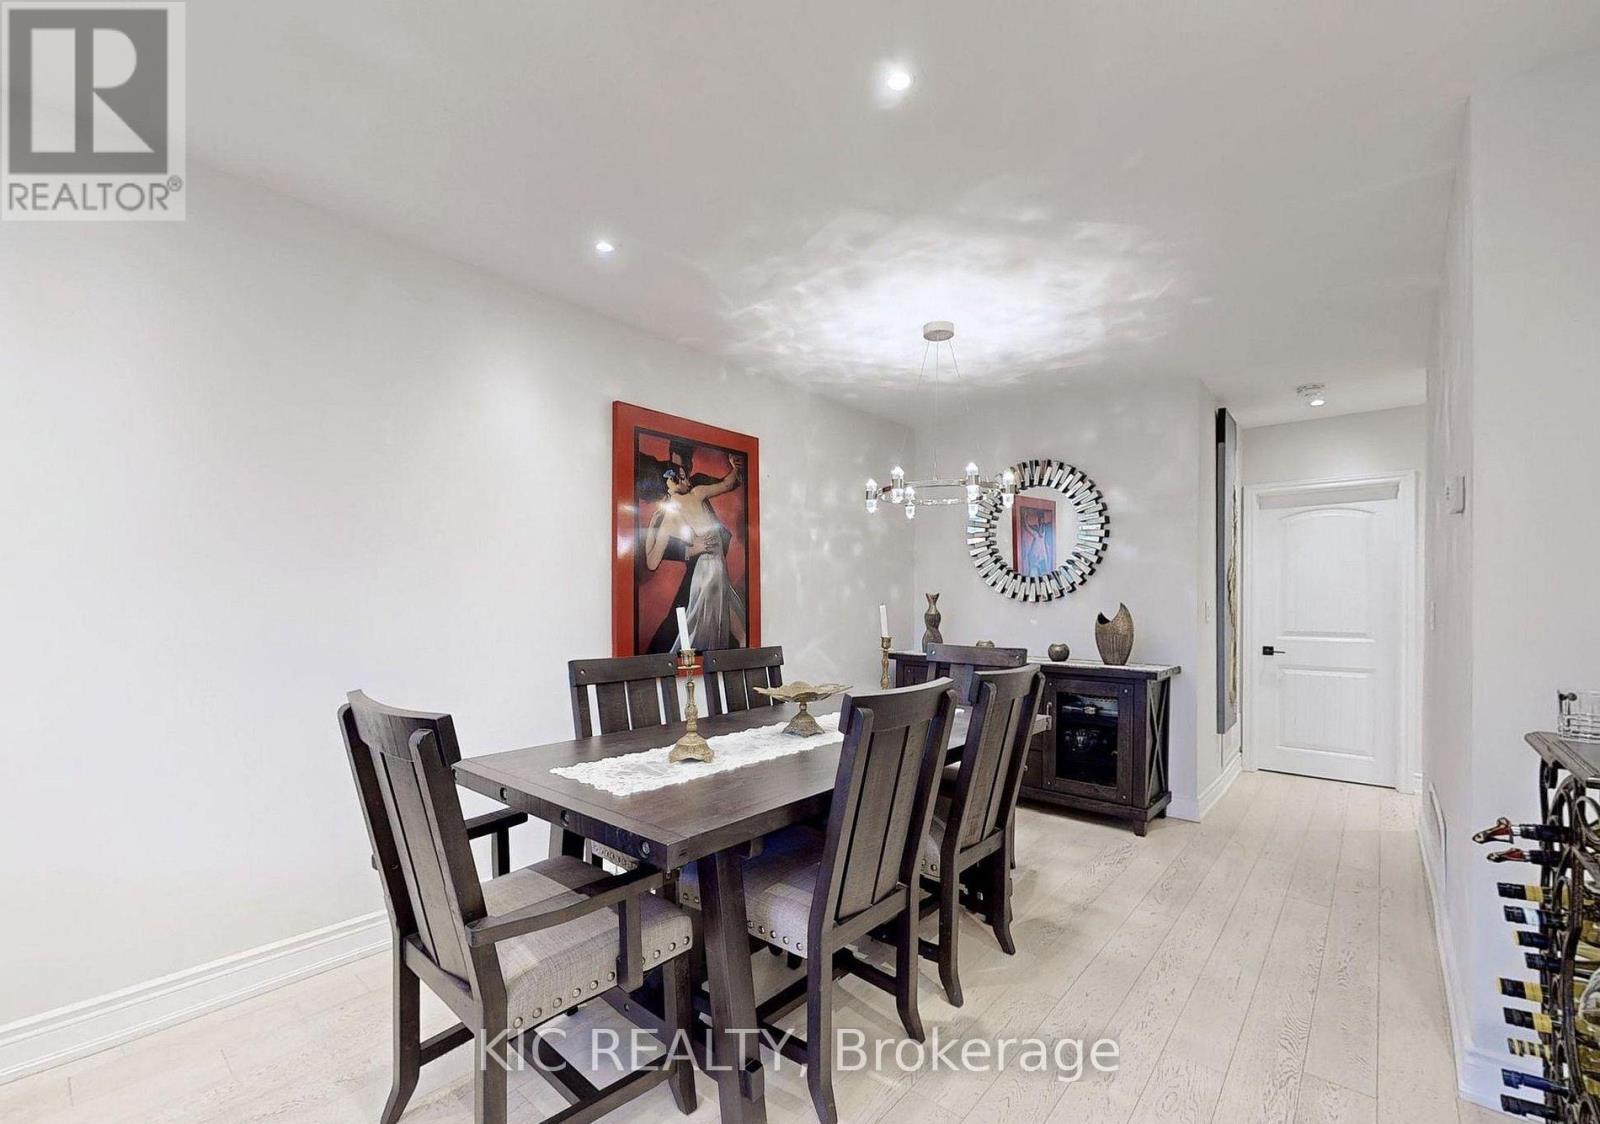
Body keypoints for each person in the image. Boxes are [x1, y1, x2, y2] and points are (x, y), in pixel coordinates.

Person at [643, 452, 749, 652]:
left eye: (685, 476)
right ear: (671, 482)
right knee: (710, 628)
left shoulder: (681, 506)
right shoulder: (688, 502)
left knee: (724, 627)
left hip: (712, 570)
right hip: (708, 571)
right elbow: (652, 563)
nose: (687, 481)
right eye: (682, 478)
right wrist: (734, 469)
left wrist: (650, 530)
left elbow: (651, 562)